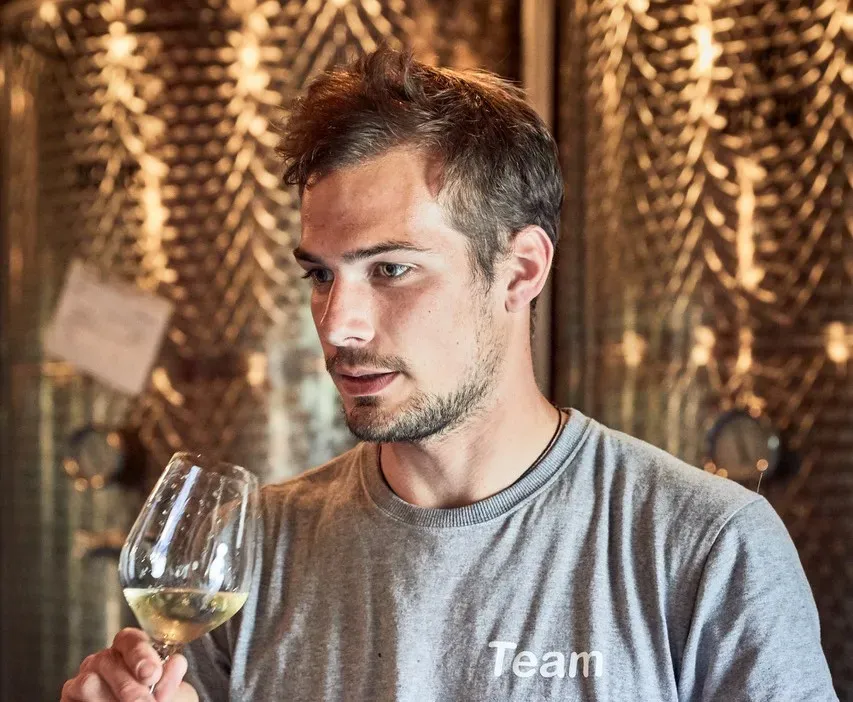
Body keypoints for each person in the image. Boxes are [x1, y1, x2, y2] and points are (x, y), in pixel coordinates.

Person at [62, 47, 836, 702]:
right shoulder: (252, 549)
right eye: (321, 275)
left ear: (519, 270)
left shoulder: (702, 546)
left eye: (390, 269)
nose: (337, 324)